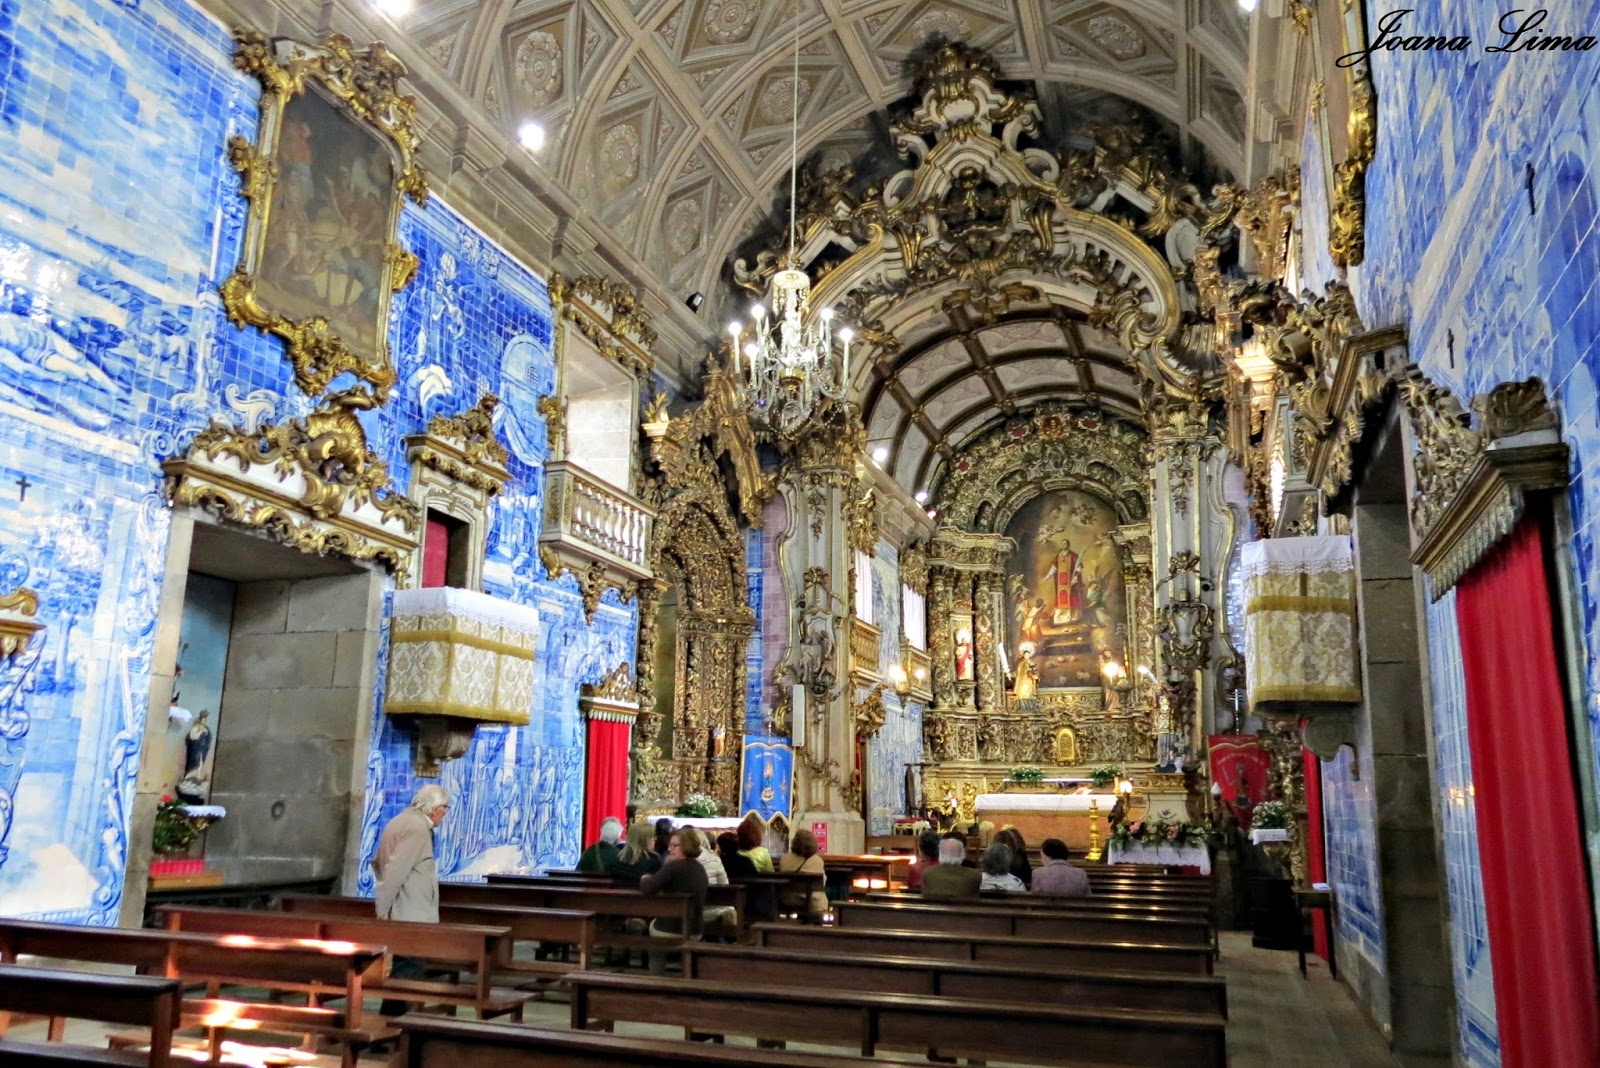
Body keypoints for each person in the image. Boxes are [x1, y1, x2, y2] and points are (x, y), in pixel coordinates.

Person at [372, 784, 448, 1015]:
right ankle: (398, 1027)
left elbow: (378, 862)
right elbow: (396, 870)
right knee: (408, 972)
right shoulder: (417, 829)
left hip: (405, 907)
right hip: (411, 912)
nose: (444, 814)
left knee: (403, 971)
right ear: (434, 807)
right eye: (444, 808)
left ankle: (391, 1024)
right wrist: (382, 908)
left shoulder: (399, 821)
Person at [640, 828, 708, 972]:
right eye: (670, 845)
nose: (670, 850)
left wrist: (644, 878)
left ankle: (656, 977)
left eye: (675, 846)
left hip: (670, 928)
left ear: (686, 846)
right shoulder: (700, 868)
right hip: (696, 929)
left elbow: (649, 888)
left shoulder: (673, 866)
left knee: (651, 928)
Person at [687, 828, 738, 939]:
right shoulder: (715, 860)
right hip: (714, 910)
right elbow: (725, 886)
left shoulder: (679, 861)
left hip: (686, 910)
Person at [776, 827, 828, 921]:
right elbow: (822, 884)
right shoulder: (817, 860)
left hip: (789, 900)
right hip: (813, 903)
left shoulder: (785, 858)